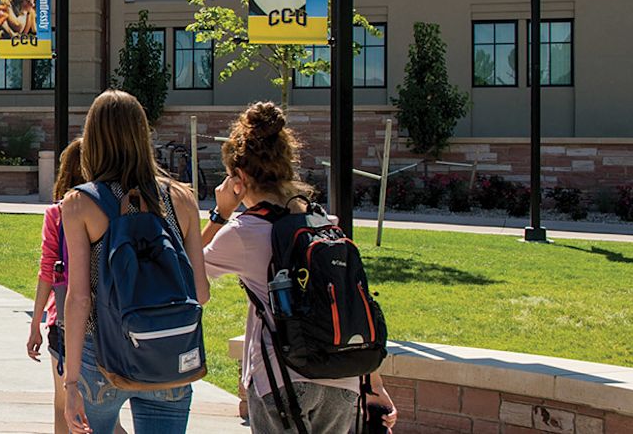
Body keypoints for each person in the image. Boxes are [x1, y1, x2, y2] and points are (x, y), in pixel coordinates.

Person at [202, 102, 398, 434]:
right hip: (344, 378)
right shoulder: (323, 223)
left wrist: (220, 213)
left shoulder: (243, 233)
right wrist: (374, 385)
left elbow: (185, 265)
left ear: (241, 177)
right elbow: (348, 302)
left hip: (281, 381)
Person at [59, 90, 209, 434]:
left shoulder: (80, 203)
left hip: (103, 354)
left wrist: (70, 382)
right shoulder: (181, 198)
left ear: (94, 138)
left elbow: (79, 298)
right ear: (143, 135)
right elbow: (200, 293)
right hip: (167, 349)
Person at [27, 139, 87, 429]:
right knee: (99, 407)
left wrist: (34, 323)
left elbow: (47, 272)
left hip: (62, 319)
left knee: (63, 402)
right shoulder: (109, 210)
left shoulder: (57, 213)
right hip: (104, 319)